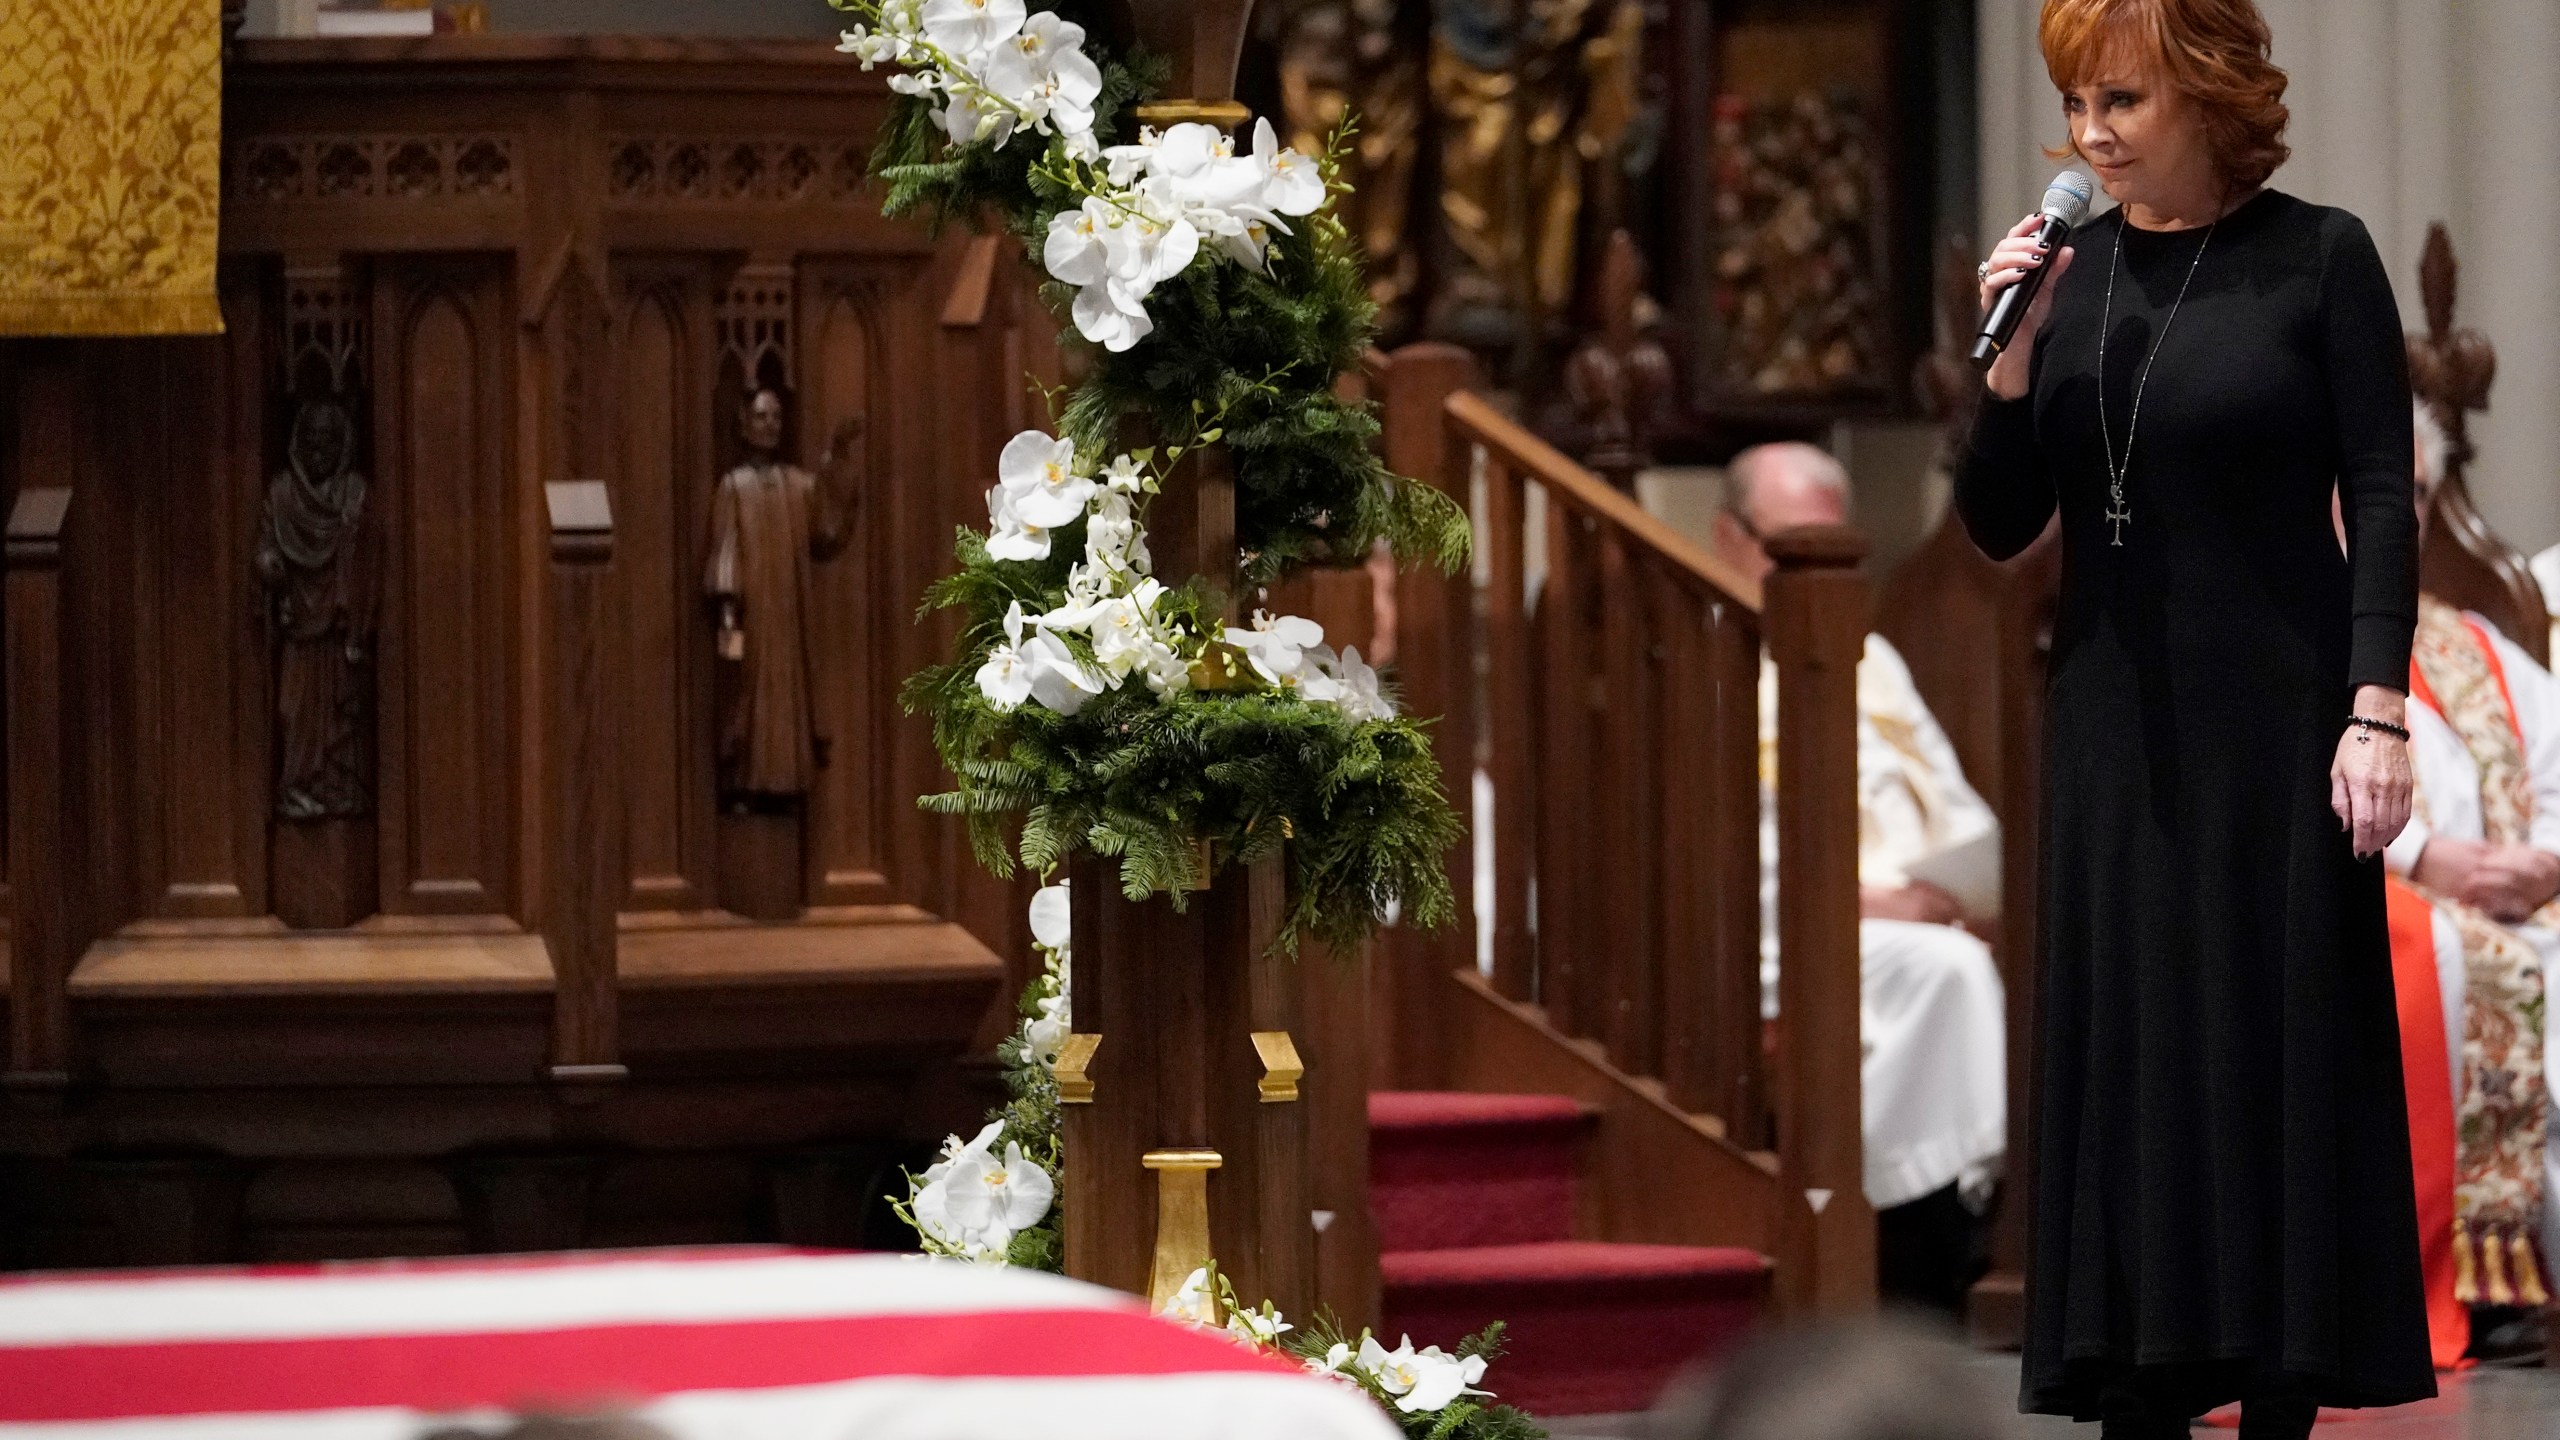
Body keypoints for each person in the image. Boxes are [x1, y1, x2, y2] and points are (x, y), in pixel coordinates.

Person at [1957, 0, 2432, 1432]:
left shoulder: (2319, 257)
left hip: (2283, 725)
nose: (2091, 137)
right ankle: (2135, 1386)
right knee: (2137, 1058)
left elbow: (2383, 495)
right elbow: (1996, 524)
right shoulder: (2069, 273)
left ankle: (2276, 1392)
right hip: (2113, 730)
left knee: (2268, 1048)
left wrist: (2378, 708)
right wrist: (2007, 366)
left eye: (2122, 103)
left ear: (2210, 94)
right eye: (2078, 107)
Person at [1719, 442, 2009, 1317]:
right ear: (1730, 536)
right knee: (1945, 972)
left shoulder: (1872, 657)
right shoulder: (1710, 649)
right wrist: (1868, 901)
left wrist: (1957, 885)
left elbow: (1957, 806)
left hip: (1913, 918)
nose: (1819, 582)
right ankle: (1930, 1243)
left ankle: (1946, 1233)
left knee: (1969, 961)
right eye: (1792, 551)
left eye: (1837, 556)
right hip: (1784, 928)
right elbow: (1730, 846)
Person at [2381, 398, 2560, 1367]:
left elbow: (2555, 768)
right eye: (2373, 488)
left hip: (2521, 909)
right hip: (2382, 904)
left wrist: (2542, 864)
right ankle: (2465, 1280)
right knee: (2454, 959)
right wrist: (2422, 857)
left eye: (2412, 494)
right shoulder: (2281, 629)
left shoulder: (2473, 644)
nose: (2397, 514)